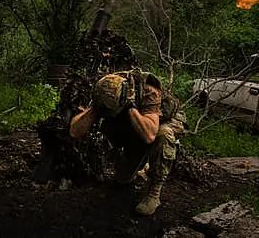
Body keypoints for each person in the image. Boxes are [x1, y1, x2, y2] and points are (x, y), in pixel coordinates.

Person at [69, 69, 185, 215]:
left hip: (163, 119)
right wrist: (93, 109)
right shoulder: (105, 88)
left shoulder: (149, 90)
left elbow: (150, 135)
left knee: (163, 136)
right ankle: (137, 160)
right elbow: (74, 131)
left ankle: (154, 192)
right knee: (123, 179)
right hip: (139, 119)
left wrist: (130, 106)